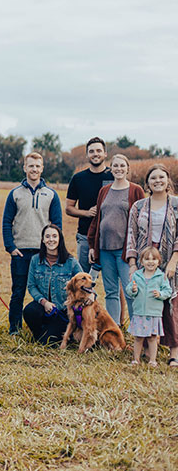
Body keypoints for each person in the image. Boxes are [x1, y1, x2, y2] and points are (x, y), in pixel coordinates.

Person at [2, 152, 62, 335]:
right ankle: (15, 329)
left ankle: (45, 329)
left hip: (43, 253)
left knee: (44, 293)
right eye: (31, 166)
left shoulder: (51, 195)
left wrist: (52, 249)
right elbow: (6, 222)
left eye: (37, 166)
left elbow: (57, 225)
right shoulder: (15, 194)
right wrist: (10, 247)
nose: (34, 169)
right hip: (20, 251)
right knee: (18, 291)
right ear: (25, 168)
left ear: (42, 168)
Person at [126, 164, 178, 367]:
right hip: (145, 258)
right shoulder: (139, 206)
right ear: (147, 182)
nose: (157, 181)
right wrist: (132, 263)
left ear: (167, 181)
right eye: (153, 178)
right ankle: (147, 349)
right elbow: (132, 234)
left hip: (170, 258)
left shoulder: (175, 204)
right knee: (147, 301)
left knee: (172, 304)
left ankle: (174, 352)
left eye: (161, 177)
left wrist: (174, 260)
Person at [87, 154, 144, 325]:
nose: (118, 169)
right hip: (105, 250)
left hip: (125, 251)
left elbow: (141, 220)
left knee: (130, 291)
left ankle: (137, 330)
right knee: (111, 291)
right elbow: (97, 220)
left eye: (122, 166)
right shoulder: (104, 191)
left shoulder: (135, 190)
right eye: (115, 166)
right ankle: (114, 329)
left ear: (127, 169)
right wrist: (92, 245)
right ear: (110, 169)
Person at [23, 224, 82, 344]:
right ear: (43, 240)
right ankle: (40, 334)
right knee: (30, 311)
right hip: (44, 308)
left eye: (54, 236)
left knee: (48, 343)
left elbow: (84, 282)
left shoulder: (71, 262)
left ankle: (53, 335)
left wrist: (90, 295)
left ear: (60, 239)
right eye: (48, 236)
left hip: (63, 312)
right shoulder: (35, 260)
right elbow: (31, 286)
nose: (51, 239)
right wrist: (44, 302)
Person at [66, 137, 114, 272]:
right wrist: (86, 213)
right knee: (83, 278)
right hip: (85, 236)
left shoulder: (114, 176)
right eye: (91, 151)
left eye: (99, 150)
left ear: (105, 153)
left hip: (111, 237)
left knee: (114, 281)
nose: (95, 154)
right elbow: (69, 208)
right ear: (87, 155)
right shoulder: (78, 178)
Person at [125, 246, 172, 367]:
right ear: (141, 262)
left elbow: (168, 291)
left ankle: (152, 360)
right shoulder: (137, 276)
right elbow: (129, 289)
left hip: (153, 313)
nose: (150, 262)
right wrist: (133, 290)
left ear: (158, 262)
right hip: (139, 312)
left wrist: (160, 294)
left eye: (154, 259)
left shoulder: (161, 277)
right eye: (147, 259)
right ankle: (136, 359)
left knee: (152, 338)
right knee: (138, 338)